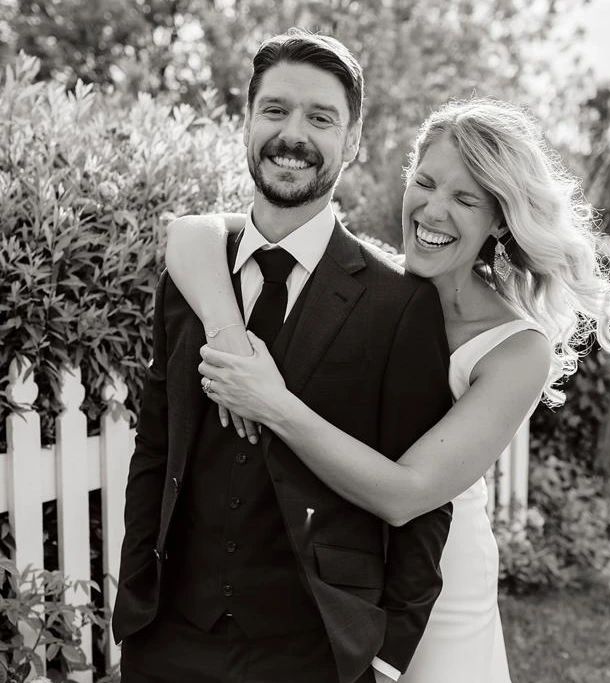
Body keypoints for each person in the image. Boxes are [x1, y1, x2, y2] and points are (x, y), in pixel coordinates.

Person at [166, 97, 610, 682]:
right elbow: (192, 235)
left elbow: (407, 493)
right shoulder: (368, 287)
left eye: (465, 199)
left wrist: (272, 404)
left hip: (442, 593)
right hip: (339, 581)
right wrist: (231, 340)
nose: (433, 210)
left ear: (500, 220)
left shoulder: (515, 349)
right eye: (425, 182)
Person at [113, 29, 454, 683]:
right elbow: (155, 445)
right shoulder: (189, 278)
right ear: (245, 121)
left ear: (352, 141)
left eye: (320, 117)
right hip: (169, 642)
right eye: (274, 110)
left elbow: (423, 506)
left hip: (317, 650)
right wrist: (135, 606)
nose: (292, 134)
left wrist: (384, 657)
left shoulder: (399, 303)